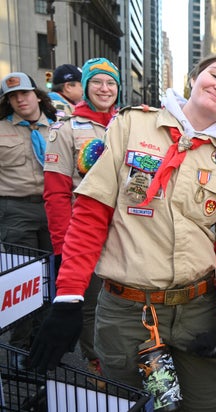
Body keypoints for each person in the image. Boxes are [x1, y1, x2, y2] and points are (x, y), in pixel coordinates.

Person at [30, 52, 216, 411]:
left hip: (197, 309)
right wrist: (69, 297)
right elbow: (91, 214)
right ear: (194, 78)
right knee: (126, 405)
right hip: (126, 310)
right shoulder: (131, 125)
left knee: (205, 404)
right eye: (215, 75)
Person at [43, 57, 121, 386]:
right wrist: (62, 248)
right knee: (90, 305)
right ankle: (97, 364)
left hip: (124, 234)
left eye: (111, 83)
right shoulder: (64, 130)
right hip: (85, 234)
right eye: (97, 82)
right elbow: (56, 194)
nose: (105, 89)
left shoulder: (126, 125)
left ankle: (125, 360)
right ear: (85, 87)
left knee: (121, 298)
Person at [0, 72, 56, 355]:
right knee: (23, 281)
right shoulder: (0, 129)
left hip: (53, 208)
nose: (20, 99)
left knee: (49, 278)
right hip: (15, 209)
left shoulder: (59, 127)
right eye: (12, 96)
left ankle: (43, 345)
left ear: (37, 94)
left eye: (24, 93)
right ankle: (20, 348)